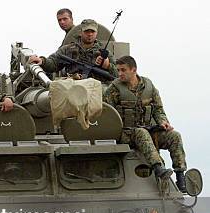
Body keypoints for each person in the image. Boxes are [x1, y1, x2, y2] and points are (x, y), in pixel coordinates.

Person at [104, 56, 187, 191]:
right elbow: (107, 113)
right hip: (126, 134)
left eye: (123, 70)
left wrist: (163, 122)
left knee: (174, 135)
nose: (119, 73)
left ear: (134, 70)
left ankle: (180, 176)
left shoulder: (148, 86)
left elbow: (158, 109)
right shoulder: (114, 88)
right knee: (141, 133)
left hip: (150, 131)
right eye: (118, 70)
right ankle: (158, 168)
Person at [29, 19, 117, 83]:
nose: (90, 34)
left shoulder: (104, 53)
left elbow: (118, 74)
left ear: (96, 33)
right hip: (72, 89)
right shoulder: (67, 49)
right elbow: (53, 63)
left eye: (92, 31)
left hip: (97, 91)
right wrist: (42, 61)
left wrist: (108, 66)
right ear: (81, 32)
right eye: (87, 31)